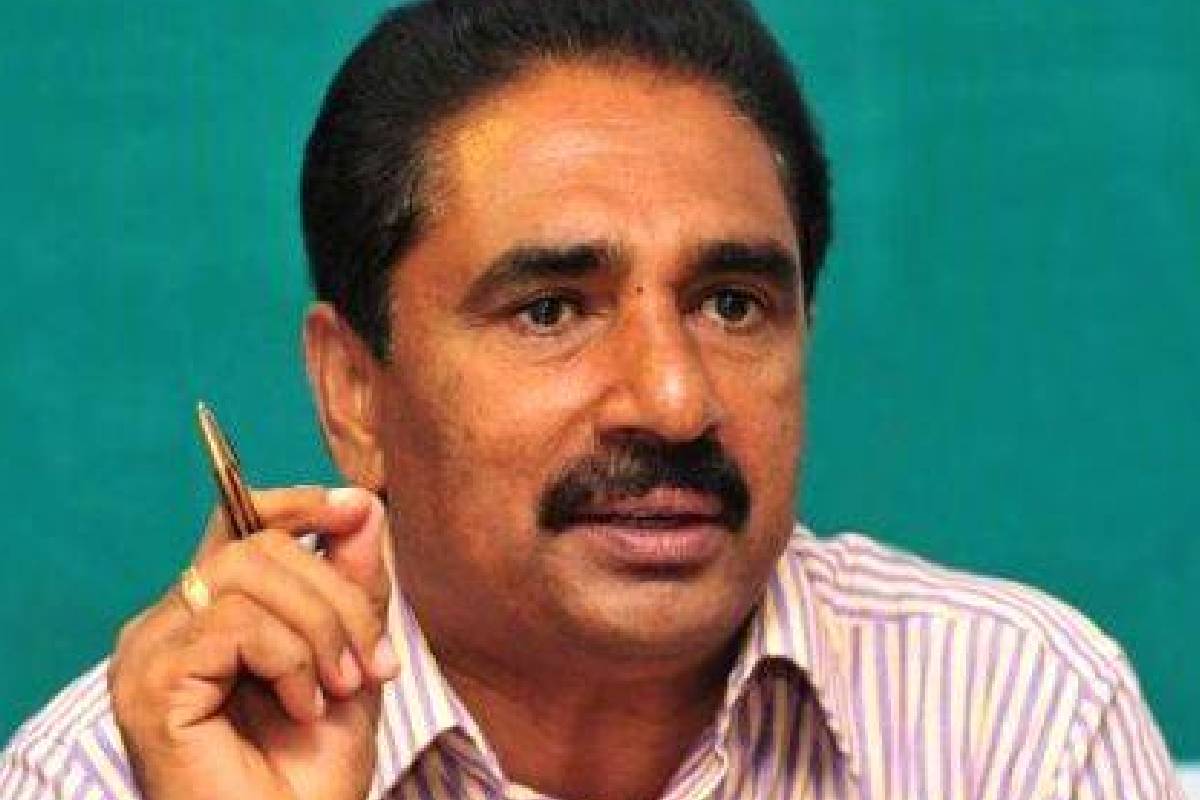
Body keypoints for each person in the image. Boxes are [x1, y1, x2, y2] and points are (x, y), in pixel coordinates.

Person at [0, 0, 1185, 798]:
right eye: (552, 310)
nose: (672, 401)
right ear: (355, 391)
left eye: (731, 304)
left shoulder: (1017, 716)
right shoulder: (114, 773)